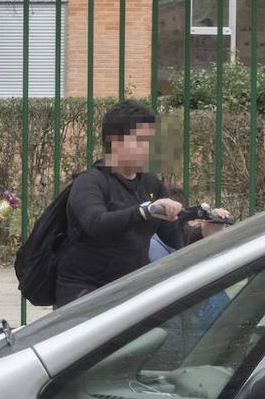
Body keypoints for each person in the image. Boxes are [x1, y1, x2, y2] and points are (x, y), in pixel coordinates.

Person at [54, 100, 226, 308]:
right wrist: (145, 211)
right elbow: (96, 224)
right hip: (85, 297)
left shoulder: (150, 184)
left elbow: (172, 234)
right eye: (141, 140)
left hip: (131, 292)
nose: (148, 148)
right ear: (115, 140)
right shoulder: (89, 182)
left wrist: (204, 232)